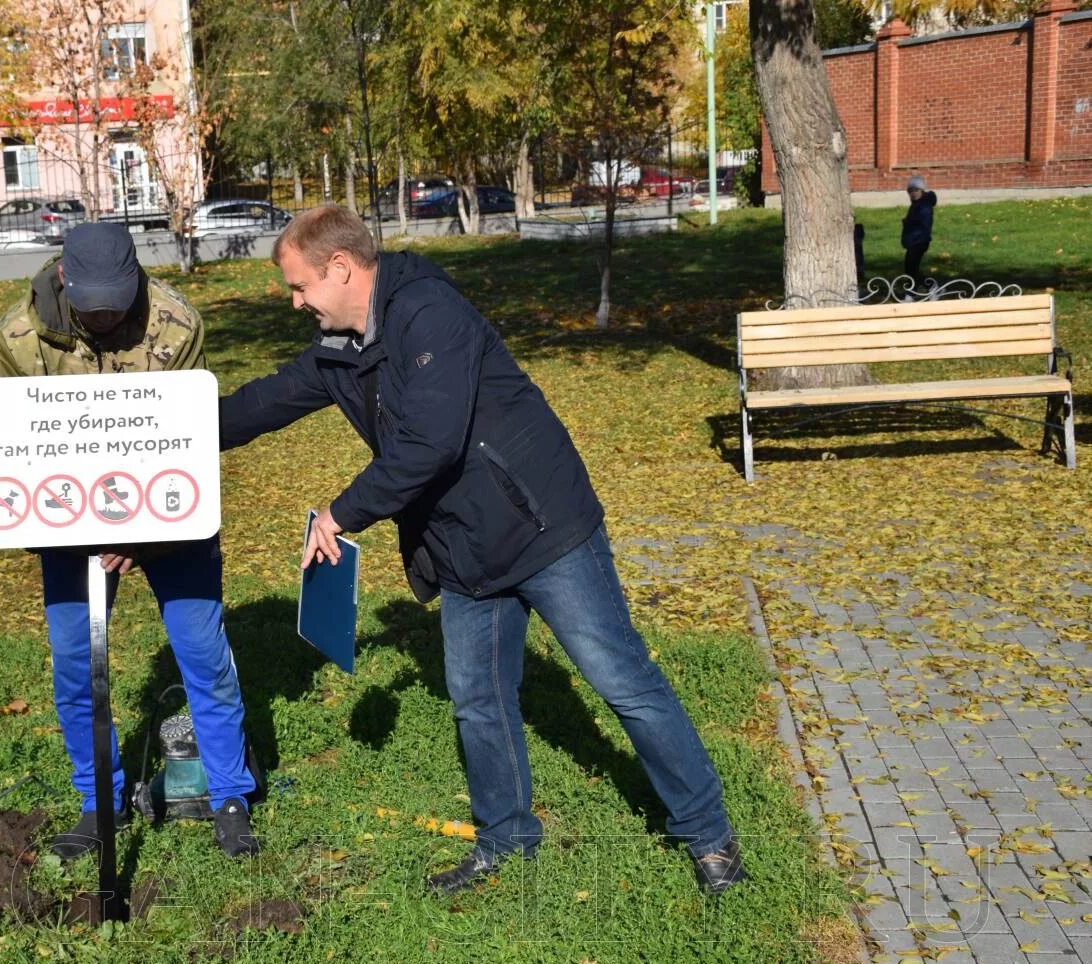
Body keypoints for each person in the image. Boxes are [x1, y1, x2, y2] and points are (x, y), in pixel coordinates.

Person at [218, 205, 745, 895]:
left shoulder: (431, 313)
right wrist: (161, 430)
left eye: (300, 287)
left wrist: (341, 514)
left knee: (623, 682)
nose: (295, 303)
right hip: (462, 546)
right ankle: (506, 843)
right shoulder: (339, 348)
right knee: (478, 699)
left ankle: (709, 837)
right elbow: (259, 404)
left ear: (340, 268)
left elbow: (430, 442)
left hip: (542, 525)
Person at [0, 222, 259, 859]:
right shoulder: (18, 338)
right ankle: (97, 800)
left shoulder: (176, 324)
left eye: (118, 302)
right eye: (92, 307)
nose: (107, 319)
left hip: (169, 521)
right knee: (77, 668)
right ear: (62, 282)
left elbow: (184, 441)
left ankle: (229, 796)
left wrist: (144, 536)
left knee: (204, 656)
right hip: (68, 528)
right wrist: (53, 524)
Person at [901, 175, 936, 292]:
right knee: (910, 268)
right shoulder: (916, 204)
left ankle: (929, 288)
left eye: (916, 190)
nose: (913, 193)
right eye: (910, 191)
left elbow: (922, 225)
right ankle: (914, 291)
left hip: (919, 241)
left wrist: (908, 223)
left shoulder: (924, 206)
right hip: (914, 241)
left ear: (921, 191)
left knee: (911, 268)